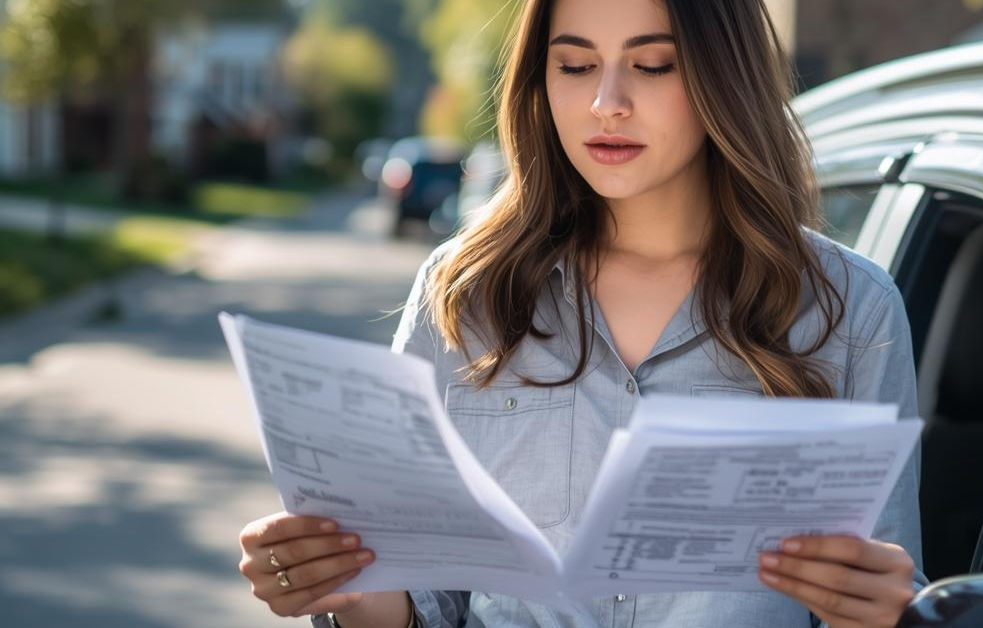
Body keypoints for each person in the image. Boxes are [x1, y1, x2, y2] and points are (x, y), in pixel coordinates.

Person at [236, 0, 927, 626]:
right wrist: (357, 594)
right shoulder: (465, 291)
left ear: (726, 78)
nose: (606, 102)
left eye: (653, 66)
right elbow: (427, 604)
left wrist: (883, 614)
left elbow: (883, 585)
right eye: (574, 65)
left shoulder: (850, 309)